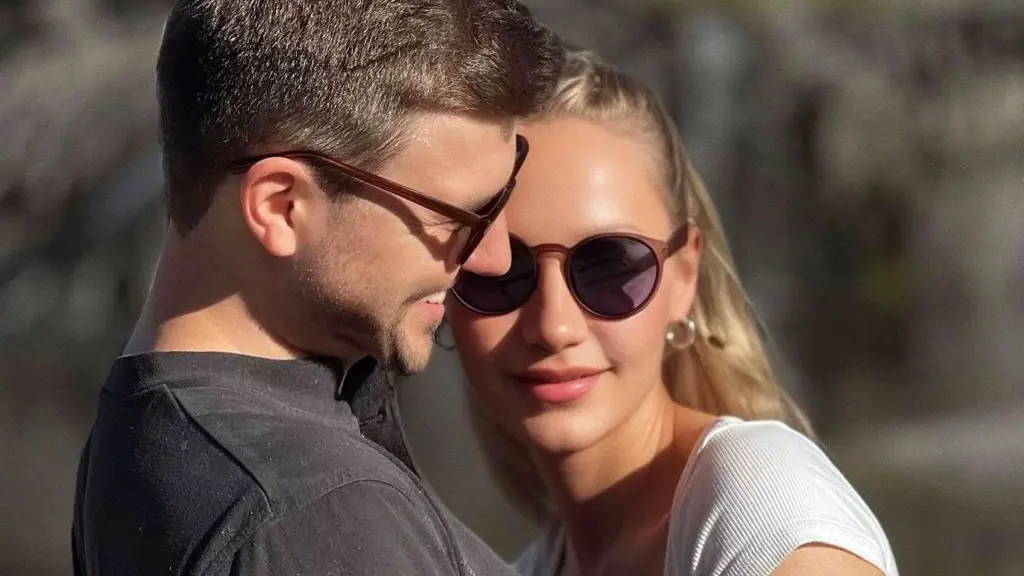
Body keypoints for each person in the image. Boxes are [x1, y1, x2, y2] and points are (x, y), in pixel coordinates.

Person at [71, 1, 563, 574]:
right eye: (460, 217)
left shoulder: (151, 436)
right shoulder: (312, 512)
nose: (494, 258)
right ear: (283, 206)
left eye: (502, 197)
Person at [445, 49, 900, 575]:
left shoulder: (765, 507)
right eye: (501, 271)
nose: (554, 326)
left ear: (685, 277)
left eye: (610, 266)